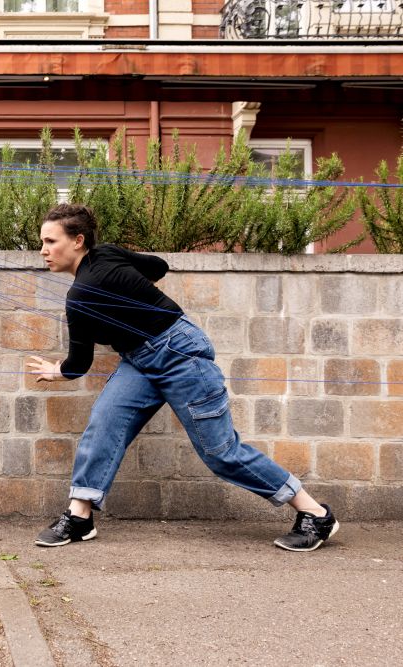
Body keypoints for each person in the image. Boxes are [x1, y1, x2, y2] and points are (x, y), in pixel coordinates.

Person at [26, 203, 338, 553]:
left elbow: (78, 364)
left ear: (78, 240)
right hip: (140, 359)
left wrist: (56, 372)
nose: (43, 250)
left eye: (50, 241)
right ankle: (79, 515)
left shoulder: (80, 295)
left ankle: (315, 513)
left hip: (180, 355)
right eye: (42, 242)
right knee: (104, 423)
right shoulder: (108, 256)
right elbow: (158, 267)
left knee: (221, 453)